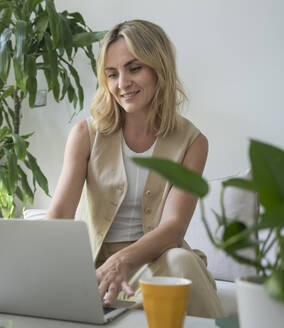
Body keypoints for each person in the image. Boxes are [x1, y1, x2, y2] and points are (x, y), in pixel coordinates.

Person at [46, 20, 223, 318]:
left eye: (134, 68)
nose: (122, 83)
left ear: (159, 68)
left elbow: (173, 228)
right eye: (112, 74)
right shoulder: (85, 135)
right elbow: (59, 217)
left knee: (182, 262)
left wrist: (122, 261)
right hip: (95, 267)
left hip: (158, 262)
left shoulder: (193, 142)